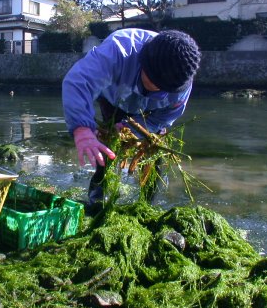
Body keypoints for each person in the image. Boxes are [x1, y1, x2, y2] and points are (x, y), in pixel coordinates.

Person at [62, 28, 201, 212]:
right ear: (143, 64)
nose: (158, 91)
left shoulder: (181, 78)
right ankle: (97, 203)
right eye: (154, 85)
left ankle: (147, 206)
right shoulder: (118, 50)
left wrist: (137, 128)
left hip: (153, 114)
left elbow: (167, 115)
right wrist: (82, 129)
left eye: (164, 89)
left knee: (154, 157)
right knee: (108, 148)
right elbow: (78, 82)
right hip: (115, 99)